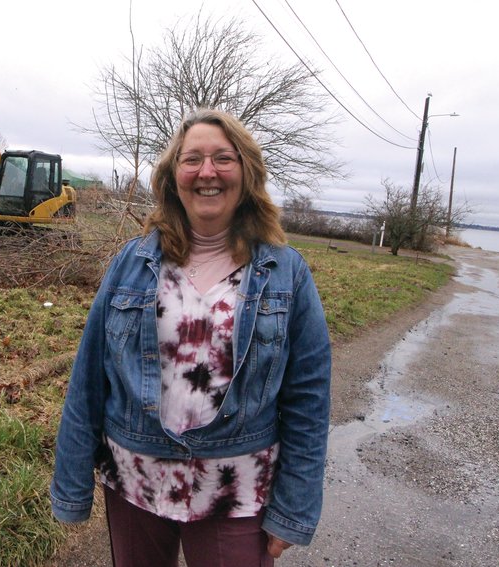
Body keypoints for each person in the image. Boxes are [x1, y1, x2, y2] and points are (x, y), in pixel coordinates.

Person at [51, 108, 331, 566]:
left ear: (247, 174)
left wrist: (294, 508)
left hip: (236, 491)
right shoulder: (130, 264)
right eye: (192, 159)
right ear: (172, 175)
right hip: (135, 484)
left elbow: (308, 398)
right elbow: (88, 380)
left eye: (223, 158)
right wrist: (72, 485)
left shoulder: (287, 273)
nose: (207, 172)